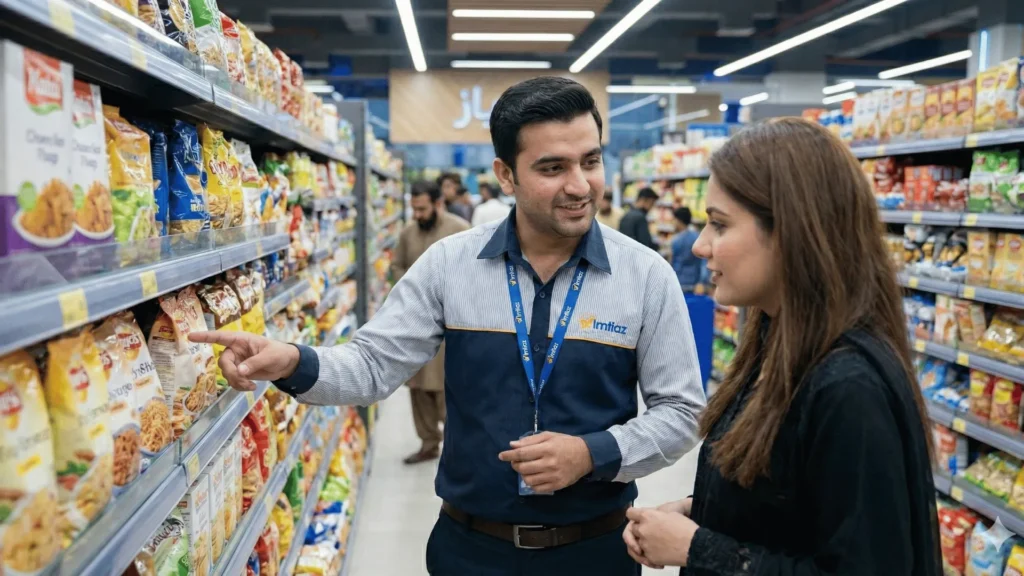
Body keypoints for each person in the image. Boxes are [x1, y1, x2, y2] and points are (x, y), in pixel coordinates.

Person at [191, 76, 705, 575]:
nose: (579, 185)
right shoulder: (450, 264)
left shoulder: (645, 276)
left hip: (595, 551)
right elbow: (373, 365)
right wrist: (293, 360)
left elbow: (682, 410)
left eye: (590, 161)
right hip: (470, 549)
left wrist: (592, 454)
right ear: (506, 176)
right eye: (552, 167)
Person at [623, 118, 940, 574]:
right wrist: (701, 511)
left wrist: (699, 547)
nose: (701, 247)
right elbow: (794, 504)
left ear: (790, 231)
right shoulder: (776, 346)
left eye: (719, 224)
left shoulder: (848, 388)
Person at [392, 180, 470, 464]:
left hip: (452, 325)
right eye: (414, 209)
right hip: (416, 323)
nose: (417, 215)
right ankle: (428, 442)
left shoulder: (461, 230)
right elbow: (397, 265)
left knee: (450, 386)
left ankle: (457, 446)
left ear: (438, 204)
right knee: (418, 386)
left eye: (422, 209)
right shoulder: (407, 233)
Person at [669, 207, 703, 291]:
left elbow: (673, 261)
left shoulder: (676, 240)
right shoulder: (697, 237)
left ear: (678, 220)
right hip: (694, 282)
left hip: (679, 281)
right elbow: (702, 261)